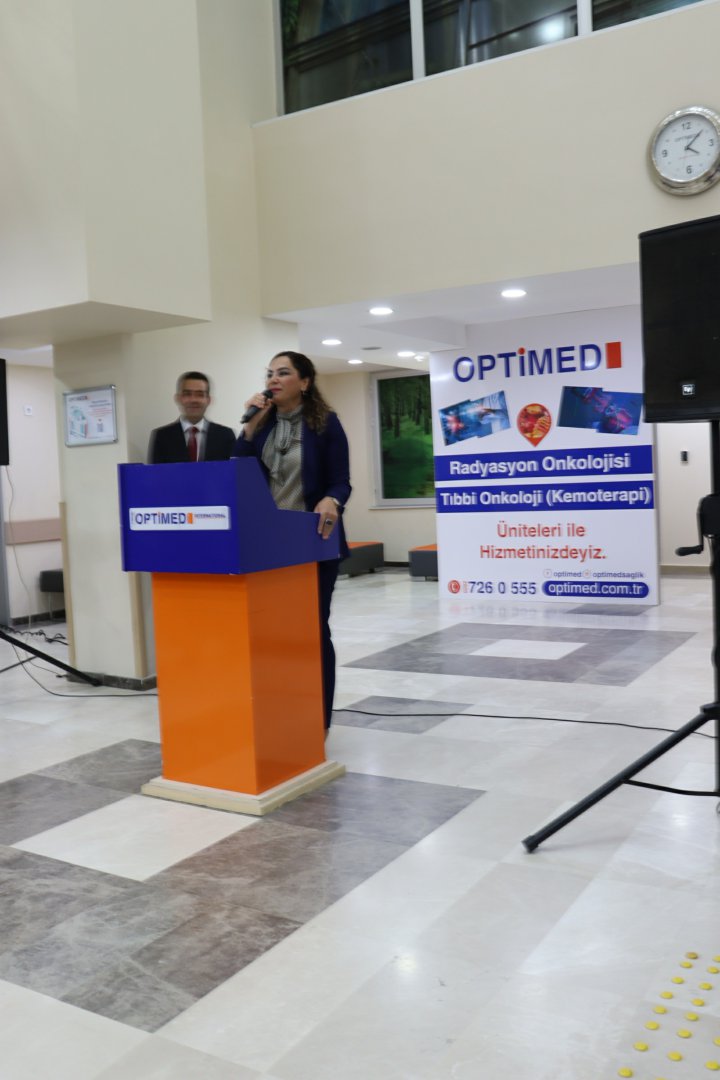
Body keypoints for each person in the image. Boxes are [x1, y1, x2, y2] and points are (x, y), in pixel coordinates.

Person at [233, 351, 351, 730]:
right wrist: (249, 429)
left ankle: (318, 718)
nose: (273, 379)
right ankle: (283, 707)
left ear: (304, 382)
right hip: (270, 545)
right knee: (274, 632)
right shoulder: (261, 423)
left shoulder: (325, 423)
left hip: (313, 540)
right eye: (270, 373)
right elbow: (237, 473)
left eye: (283, 373)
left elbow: (340, 481)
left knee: (313, 629)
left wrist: (332, 499)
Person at [148, 371, 236, 463]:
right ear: (178, 398)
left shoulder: (226, 436)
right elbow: (156, 472)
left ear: (208, 400)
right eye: (187, 394)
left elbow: (233, 470)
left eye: (200, 394)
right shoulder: (162, 437)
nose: (193, 400)